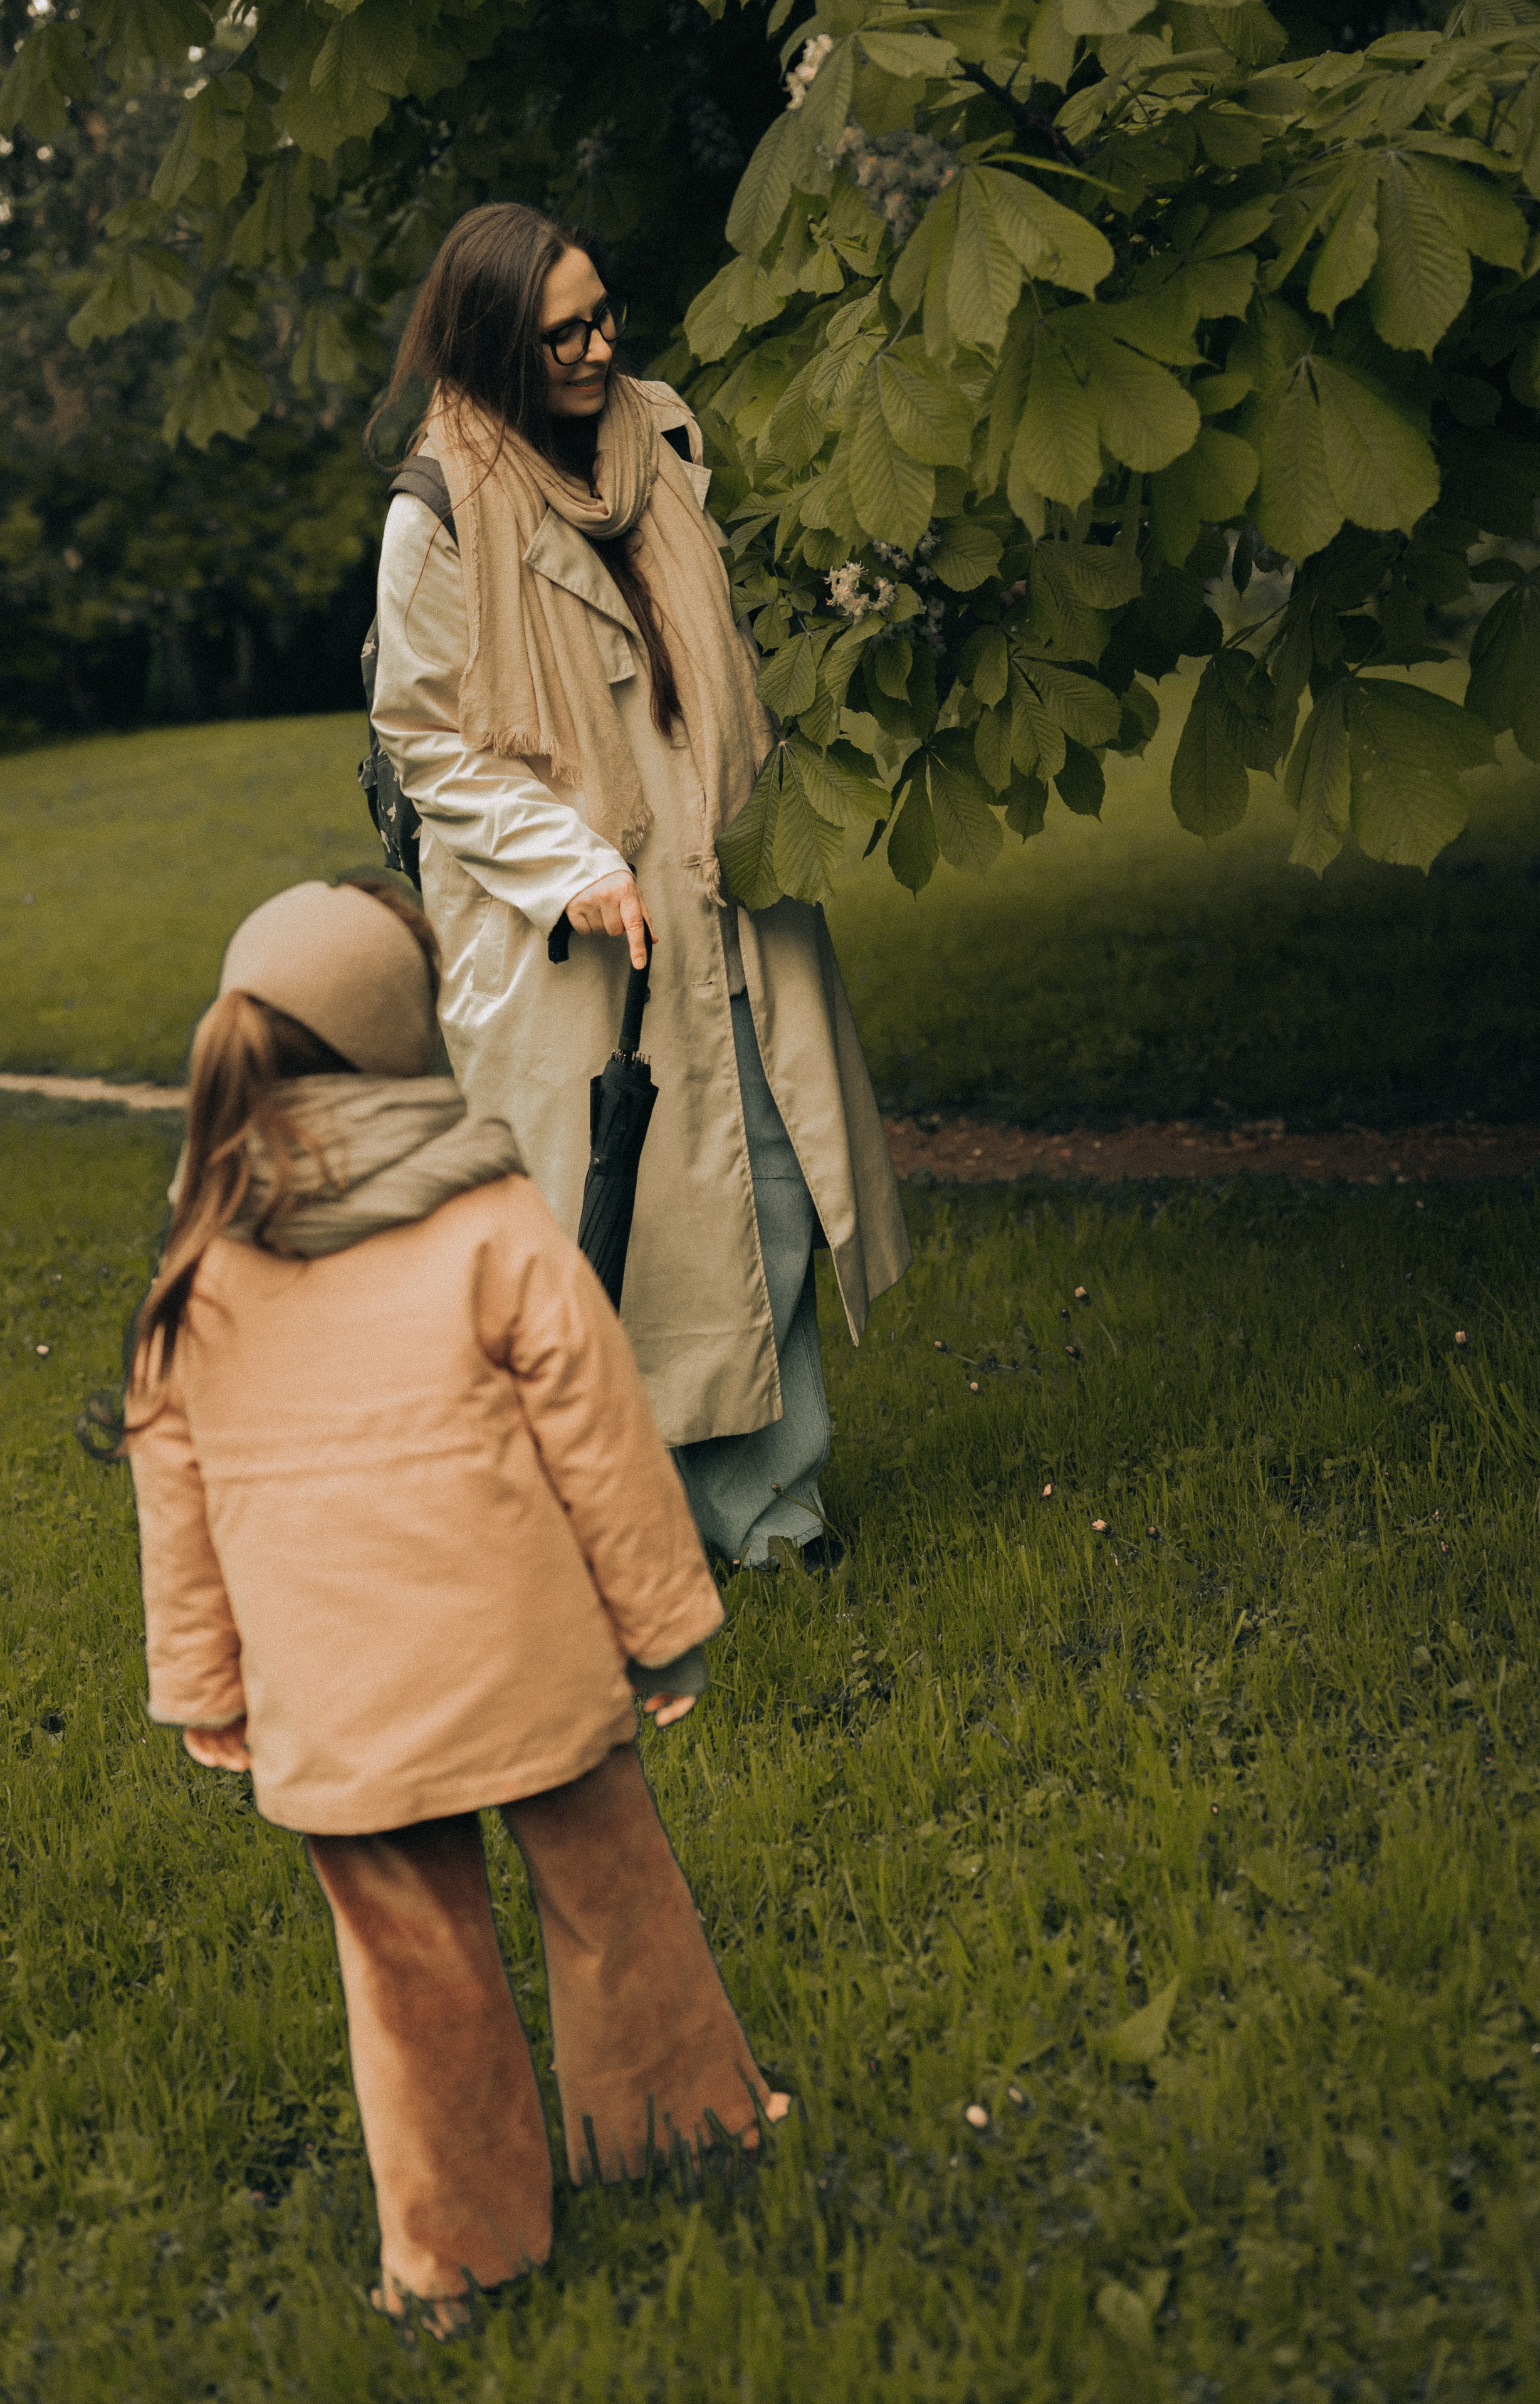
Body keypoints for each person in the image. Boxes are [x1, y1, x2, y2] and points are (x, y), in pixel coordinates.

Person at [123, 876, 788, 2338]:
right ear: (400, 1042)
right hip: (531, 1668)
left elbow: (173, 1504)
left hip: (342, 1713)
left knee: (409, 1983)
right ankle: (684, 2128)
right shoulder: (484, 1215)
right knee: (614, 1904)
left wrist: (210, 1687)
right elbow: (601, 1434)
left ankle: (459, 2258)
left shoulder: (202, 1263)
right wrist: (660, 1621)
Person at [367, 201, 909, 1572]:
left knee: (769, 1187)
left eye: (606, 313)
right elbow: (425, 739)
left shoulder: (660, 441)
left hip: (716, 880)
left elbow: (699, 654)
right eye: (565, 333)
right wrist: (574, 867)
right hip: (576, 933)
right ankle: (623, 1524)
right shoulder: (434, 514)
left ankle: (769, 1507)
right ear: (495, 346)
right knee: (631, 1238)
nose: (600, 345)